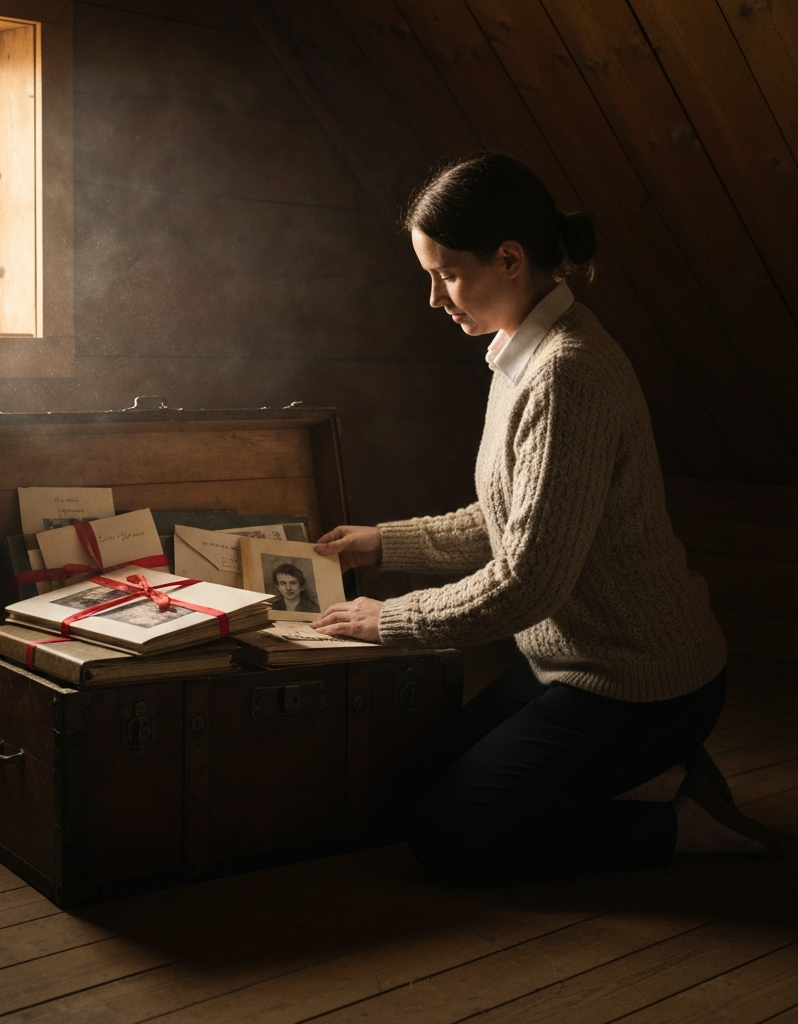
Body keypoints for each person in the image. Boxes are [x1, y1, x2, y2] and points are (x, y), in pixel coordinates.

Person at [311, 153, 783, 883]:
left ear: (509, 259)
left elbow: (527, 582)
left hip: (643, 684)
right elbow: (515, 519)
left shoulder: (567, 372)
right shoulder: (520, 355)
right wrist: (384, 543)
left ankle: (681, 821)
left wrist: (388, 620)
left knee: (448, 836)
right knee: (403, 794)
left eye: (446, 275)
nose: (435, 299)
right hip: (565, 662)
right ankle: (643, 777)